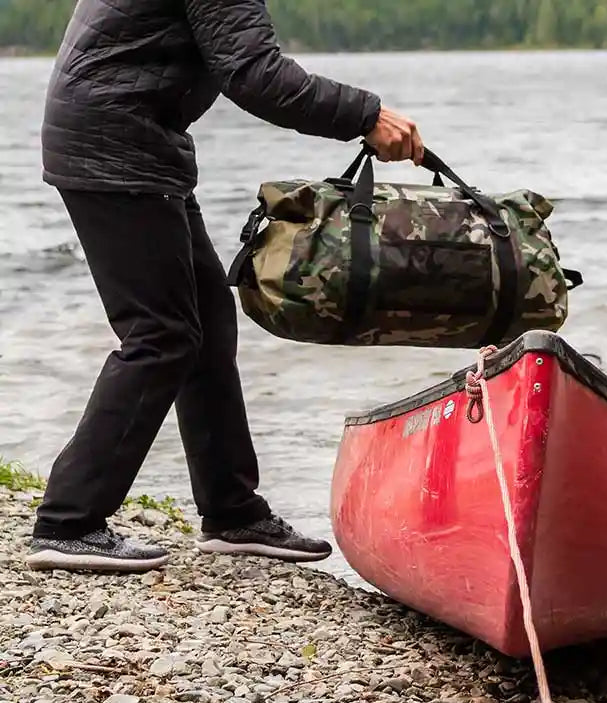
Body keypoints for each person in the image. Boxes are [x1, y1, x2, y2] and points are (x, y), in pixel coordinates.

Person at [26, 0, 424, 573]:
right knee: (161, 334)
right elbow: (255, 75)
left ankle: (232, 512)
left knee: (208, 322)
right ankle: (69, 521)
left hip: (131, 142)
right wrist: (367, 114)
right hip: (115, 147)